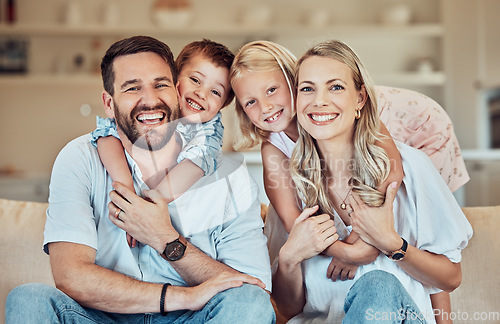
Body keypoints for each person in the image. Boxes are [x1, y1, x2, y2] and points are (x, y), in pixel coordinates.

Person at [6, 35, 275, 323]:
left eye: (160, 85)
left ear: (174, 90)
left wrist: (164, 238)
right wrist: (181, 296)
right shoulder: (81, 157)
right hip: (103, 317)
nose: (149, 100)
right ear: (109, 104)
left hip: (192, 318)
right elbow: (71, 276)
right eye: (133, 88)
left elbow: (252, 287)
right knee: (28, 299)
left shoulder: (226, 176)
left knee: (249, 302)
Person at [230, 40, 468, 323]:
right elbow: (285, 311)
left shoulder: (408, 165)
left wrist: (387, 241)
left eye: (336, 87)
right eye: (308, 88)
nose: (319, 101)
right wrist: (291, 257)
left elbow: (449, 278)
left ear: (360, 99)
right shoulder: (288, 181)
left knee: (377, 287)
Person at [91, 38, 233, 247]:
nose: (201, 93)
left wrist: (143, 212)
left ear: (223, 104)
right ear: (175, 79)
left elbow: (192, 168)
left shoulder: (208, 131)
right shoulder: (147, 112)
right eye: (195, 80)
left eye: (215, 92)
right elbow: (105, 136)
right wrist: (128, 193)